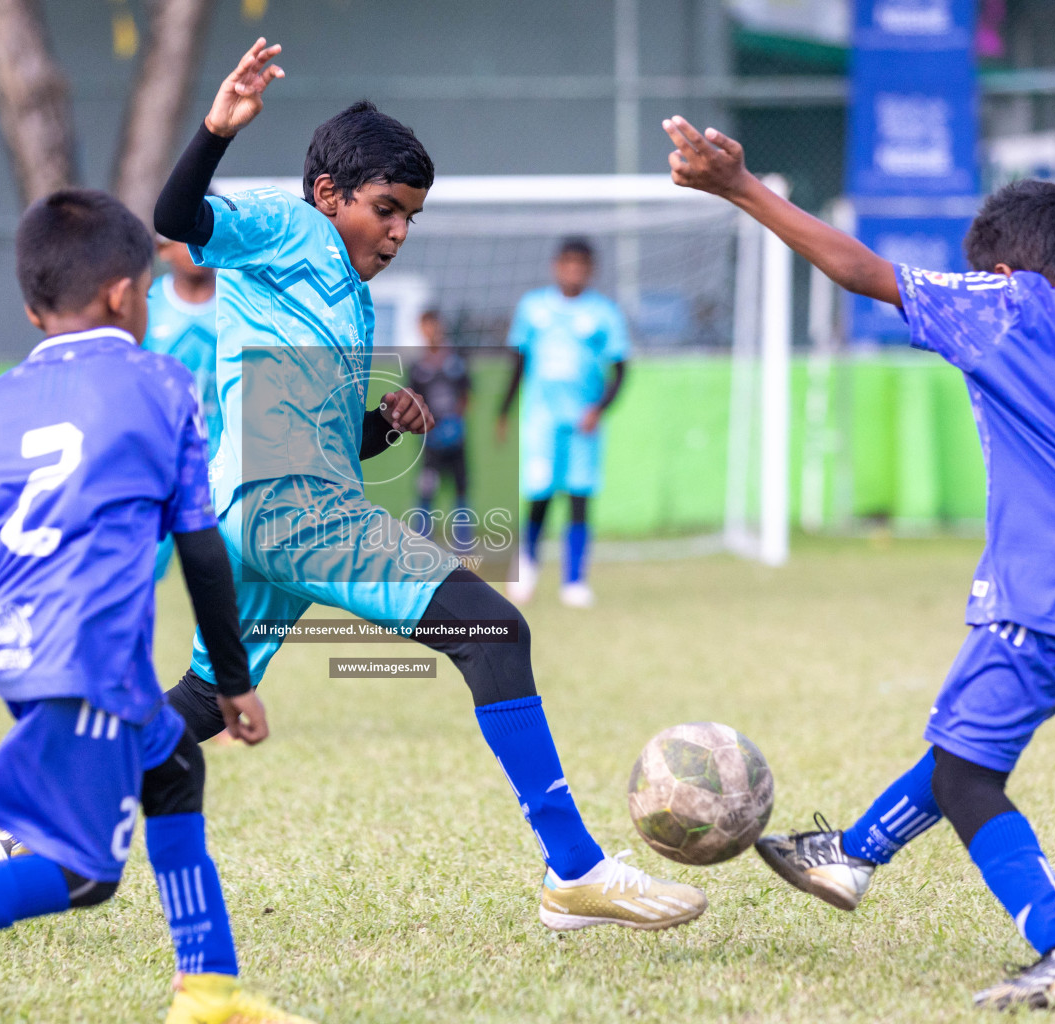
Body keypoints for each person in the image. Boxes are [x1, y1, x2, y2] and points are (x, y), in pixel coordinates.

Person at [150, 38, 705, 934]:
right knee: (494, 630)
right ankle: (575, 869)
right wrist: (216, 128)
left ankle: (43, 829)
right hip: (288, 508)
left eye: (411, 216)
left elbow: (313, 434)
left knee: (203, 702)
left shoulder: (344, 292)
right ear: (329, 196)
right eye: (386, 210)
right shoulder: (290, 228)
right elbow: (176, 215)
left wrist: (378, 425)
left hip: (261, 507)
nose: (399, 232)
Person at [663, 113, 1055, 1010]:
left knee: (970, 774)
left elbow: (859, 270)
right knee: (971, 739)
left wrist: (740, 188)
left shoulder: (1009, 307)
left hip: (1048, 591)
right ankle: (852, 855)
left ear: (1001, 272)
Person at [0, 189, 308, 1024]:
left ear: (35, 310)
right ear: (122, 294)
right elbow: (203, 550)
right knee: (84, 874)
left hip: (10, 638)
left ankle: (208, 990)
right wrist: (236, 680)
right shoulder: (160, 383)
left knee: (175, 770)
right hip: (88, 649)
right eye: (144, 289)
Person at [498, 238, 628, 609]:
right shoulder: (533, 307)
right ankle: (527, 565)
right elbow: (518, 362)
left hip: (583, 424)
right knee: (538, 495)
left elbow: (621, 370)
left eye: (581, 265)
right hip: (540, 420)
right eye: (567, 264)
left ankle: (574, 580)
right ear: (557, 266)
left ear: (590, 270)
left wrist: (599, 408)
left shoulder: (604, 313)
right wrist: (504, 411)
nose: (574, 271)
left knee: (579, 497)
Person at [145, 237, 220, 581]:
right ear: (163, 248)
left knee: (230, 587)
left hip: (226, 470)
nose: (197, 249)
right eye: (187, 238)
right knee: (136, 579)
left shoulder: (244, 306)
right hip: (158, 467)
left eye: (206, 236)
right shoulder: (144, 304)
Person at [407, 310, 472, 548]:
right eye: (427, 327)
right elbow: (411, 400)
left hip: (456, 440)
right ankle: (422, 542)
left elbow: (467, 395)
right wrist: (426, 428)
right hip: (430, 442)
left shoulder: (456, 361)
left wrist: (456, 422)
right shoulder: (417, 368)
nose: (432, 331)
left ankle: (464, 543)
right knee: (426, 489)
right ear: (421, 330)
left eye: (435, 326)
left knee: (461, 488)